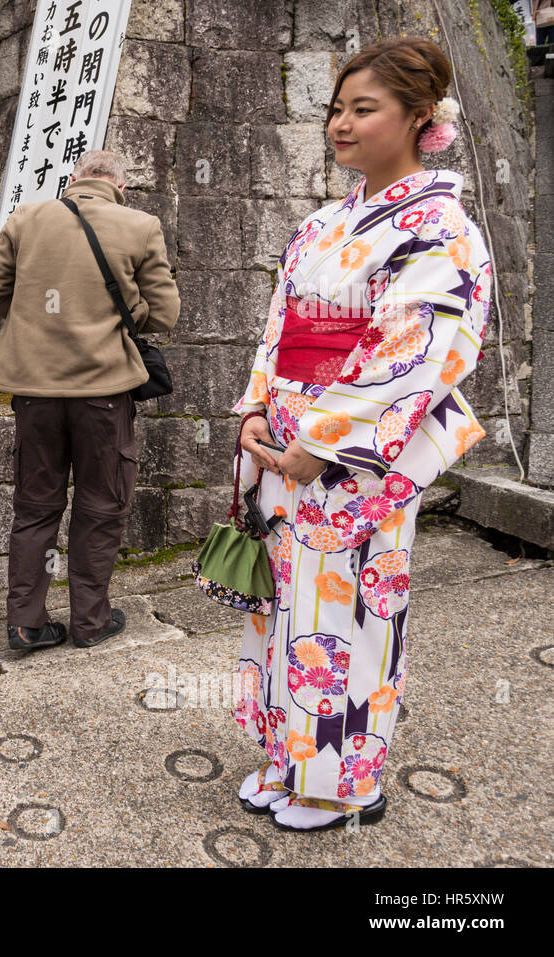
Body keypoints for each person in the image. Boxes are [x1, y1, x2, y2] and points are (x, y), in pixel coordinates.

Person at [231, 36, 492, 831]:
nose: (340, 123)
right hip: (285, 450)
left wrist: (324, 441)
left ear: (420, 118)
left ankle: (344, 781)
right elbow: (279, 331)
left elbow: (420, 351)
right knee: (284, 608)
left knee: (350, 614)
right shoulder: (319, 226)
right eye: (335, 109)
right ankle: (286, 757)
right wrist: (252, 407)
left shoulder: (441, 229)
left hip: (353, 461)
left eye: (362, 108)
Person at [0, 150, 180, 651]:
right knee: (101, 506)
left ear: (74, 180)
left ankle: (26, 624)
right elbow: (165, 314)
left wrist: (37, 318)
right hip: (104, 394)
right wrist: (116, 316)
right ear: (120, 187)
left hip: (35, 394)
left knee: (36, 508)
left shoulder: (26, 217)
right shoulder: (140, 224)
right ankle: (90, 621)